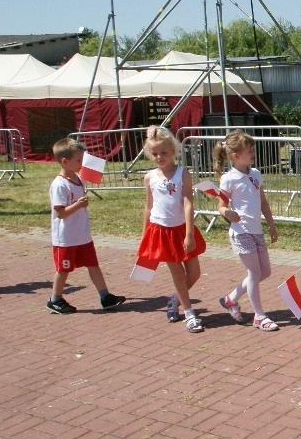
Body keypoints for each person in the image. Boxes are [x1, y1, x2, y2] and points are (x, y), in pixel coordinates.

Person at [137, 126, 206, 331]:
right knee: (176, 272)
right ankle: (189, 313)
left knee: (194, 272)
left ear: (173, 151)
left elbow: (187, 203)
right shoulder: (150, 177)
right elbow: (148, 207)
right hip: (160, 231)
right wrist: (144, 236)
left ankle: (175, 298)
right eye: (155, 153)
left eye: (164, 153)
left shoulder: (183, 174)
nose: (160, 157)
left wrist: (189, 234)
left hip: (181, 230)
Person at [46, 137, 126, 315]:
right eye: (78, 160)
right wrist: (78, 205)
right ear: (65, 161)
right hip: (65, 238)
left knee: (93, 265)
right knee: (63, 269)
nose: (82, 164)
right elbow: (60, 212)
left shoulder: (79, 179)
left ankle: (105, 296)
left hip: (82, 234)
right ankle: (55, 298)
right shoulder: (59, 184)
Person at [214, 130, 280, 332]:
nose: (252, 153)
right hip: (241, 231)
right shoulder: (229, 179)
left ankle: (231, 299)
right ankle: (259, 316)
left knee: (265, 271)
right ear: (235, 156)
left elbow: (263, 202)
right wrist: (227, 213)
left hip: (256, 229)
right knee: (253, 272)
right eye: (249, 151)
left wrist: (271, 224)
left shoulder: (256, 174)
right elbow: (221, 205)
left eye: (252, 150)